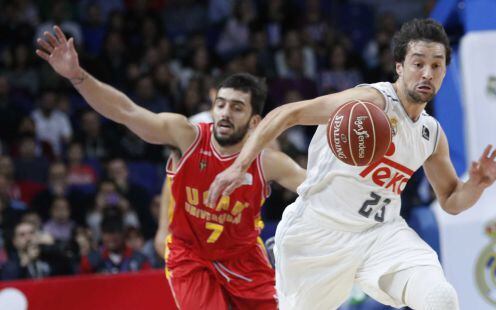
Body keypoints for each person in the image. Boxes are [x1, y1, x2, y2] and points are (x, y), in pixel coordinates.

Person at [207, 18, 496, 310]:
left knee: (440, 297)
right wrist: (239, 165)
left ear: (445, 72)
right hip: (318, 232)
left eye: (436, 65)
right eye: (418, 63)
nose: (427, 73)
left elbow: (451, 200)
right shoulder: (370, 102)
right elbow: (288, 113)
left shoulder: (431, 133)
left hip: (380, 233)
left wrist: (477, 185)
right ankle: (280, 255)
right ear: (400, 67)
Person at [36, 26, 306, 309]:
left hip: (243, 258)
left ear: (254, 121)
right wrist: (78, 76)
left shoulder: (267, 161)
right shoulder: (186, 135)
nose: (225, 113)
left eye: (237, 108)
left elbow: (315, 187)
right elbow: (125, 111)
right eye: (221, 105)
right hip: (191, 256)